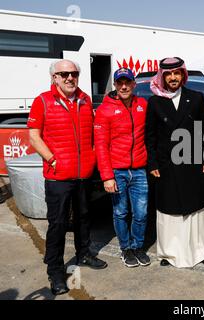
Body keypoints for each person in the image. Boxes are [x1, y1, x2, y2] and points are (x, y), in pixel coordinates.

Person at [28, 59, 107, 296]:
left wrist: (93, 159)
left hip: (83, 174)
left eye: (74, 73)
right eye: (64, 74)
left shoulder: (85, 100)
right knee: (58, 224)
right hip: (58, 177)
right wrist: (52, 159)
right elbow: (34, 136)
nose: (70, 78)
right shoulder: (43, 101)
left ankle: (83, 254)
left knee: (83, 218)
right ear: (54, 78)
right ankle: (55, 270)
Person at [146, 57, 204, 268]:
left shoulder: (195, 98)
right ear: (162, 76)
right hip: (166, 165)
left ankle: (202, 251)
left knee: (197, 207)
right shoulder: (155, 101)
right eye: (168, 74)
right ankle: (169, 252)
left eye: (176, 73)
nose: (173, 77)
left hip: (192, 161)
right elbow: (150, 136)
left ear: (182, 75)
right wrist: (153, 163)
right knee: (169, 209)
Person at [94, 68, 150, 268]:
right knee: (120, 212)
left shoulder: (142, 104)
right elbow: (100, 146)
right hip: (117, 171)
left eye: (128, 82)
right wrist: (107, 176)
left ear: (134, 84)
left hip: (139, 170)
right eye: (120, 83)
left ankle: (138, 246)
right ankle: (125, 249)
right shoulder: (104, 109)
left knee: (141, 213)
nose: (124, 86)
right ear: (115, 85)